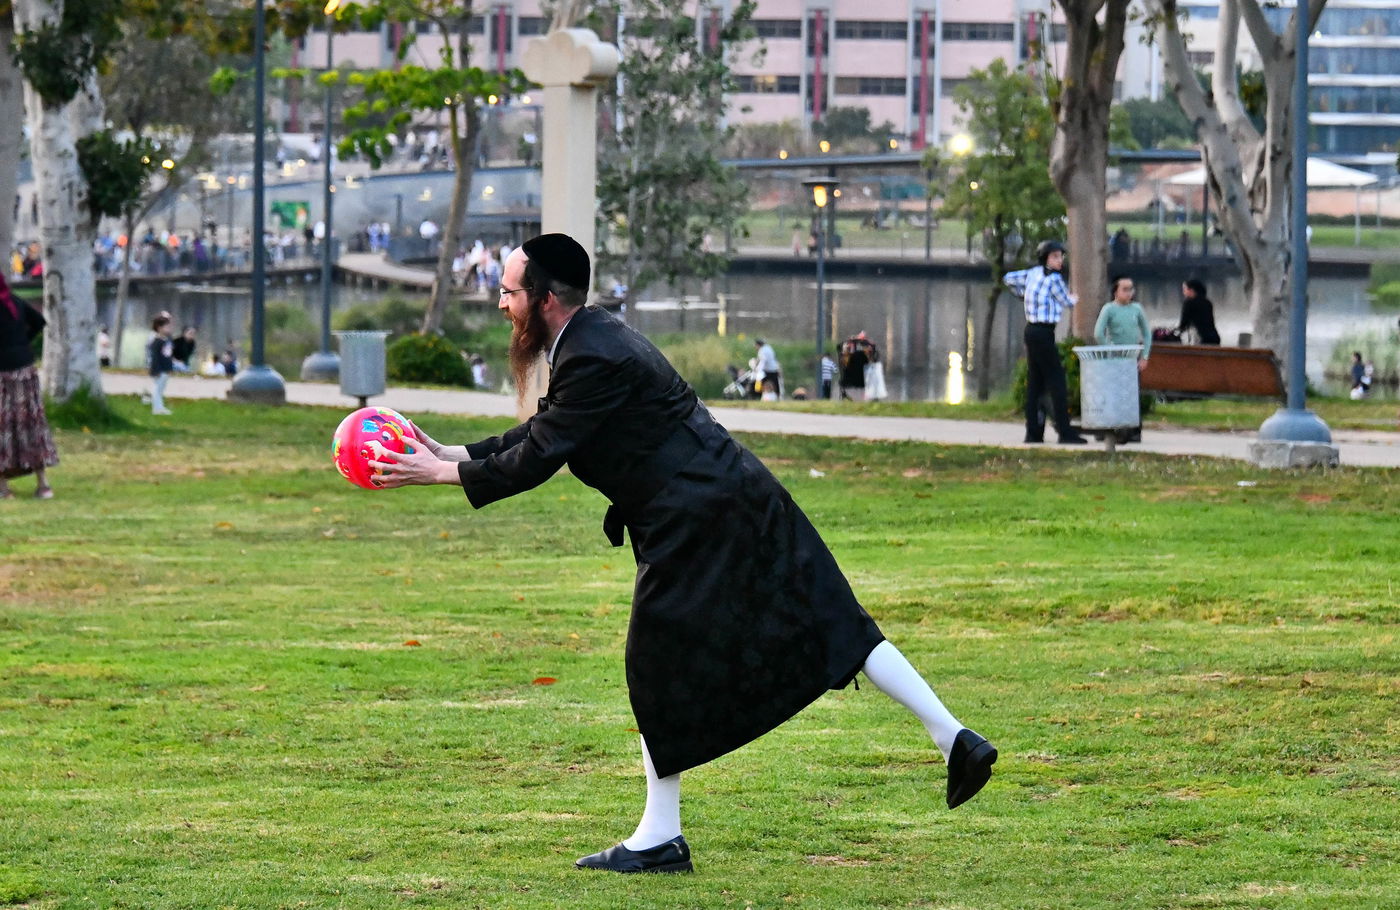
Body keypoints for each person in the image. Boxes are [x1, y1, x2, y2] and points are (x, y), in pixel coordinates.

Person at [367, 233, 998, 874]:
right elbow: (541, 431)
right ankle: (955, 738)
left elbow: (536, 459)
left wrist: (435, 475)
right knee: (830, 616)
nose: (500, 303)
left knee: (656, 664)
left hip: (698, 514)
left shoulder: (591, 355)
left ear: (546, 298)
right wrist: (446, 452)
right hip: (726, 496)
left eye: (508, 291)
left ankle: (660, 837)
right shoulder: (589, 340)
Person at [1003, 241, 1089, 445]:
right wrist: (1074, 298)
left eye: (1061, 257)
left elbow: (1008, 278)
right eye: (1055, 257)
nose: (1060, 261)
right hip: (1044, 332)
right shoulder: (1055, 280)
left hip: (1031, 331)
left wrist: (1022, 294)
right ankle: (1065, 432)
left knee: (1035, 383)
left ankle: (1033, 432)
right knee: (1056, 381)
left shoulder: (1032, 273)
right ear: (1046, 258)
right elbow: (1066, 301)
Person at [0, 274, 58, 499]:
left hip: (3, 374)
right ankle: (43, 484)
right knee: (31, 424)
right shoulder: (15, 302)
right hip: (25, 371)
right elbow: (39, 322)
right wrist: (22, 342)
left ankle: (3, 487)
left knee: (3, 428)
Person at [1094, 275, 1152, 443]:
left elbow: (1147, 334)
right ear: (1115, 292)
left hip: (1132, 357)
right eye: (1125, 289)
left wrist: (1145, 356)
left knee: (1133, 394)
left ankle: (1134, 430)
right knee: (1112, 393)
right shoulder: (1109, 309)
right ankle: (1108, 428)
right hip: (1115, 358)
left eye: (1131, 289)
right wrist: (1109, 350)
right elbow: (1098, 333)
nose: (1129, 293)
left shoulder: (1137, 309)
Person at [1178, 278, 1221, 345]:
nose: (1183, 292)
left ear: (1191, 290)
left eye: (1184, 289)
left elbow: (1183, 324)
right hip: (1214, 338)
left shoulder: (1189, 303)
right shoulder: (1208, 302)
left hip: (1200, 339)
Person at [148, 316, 174, 415]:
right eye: (167, 327)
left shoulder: (166, 340)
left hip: (166, 369)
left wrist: (170, 368)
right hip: (159, 370)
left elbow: (168, 355)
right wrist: (156, 370)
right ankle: (156, 408)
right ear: (159, 328)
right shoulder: (157, 341)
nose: (169, 329)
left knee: (161, 389)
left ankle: (160, 407)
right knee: (157, 389)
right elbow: (155, 357)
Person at [839, 332, 873, 401]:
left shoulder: (865, 347)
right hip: (854, 368)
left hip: (858, 369)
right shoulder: (850, 346)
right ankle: (848, 396)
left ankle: (864, 397)